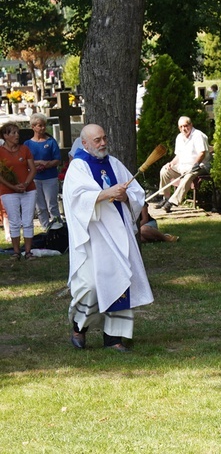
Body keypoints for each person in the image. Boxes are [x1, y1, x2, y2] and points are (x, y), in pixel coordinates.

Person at [64, 124, 154, 352]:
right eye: (97, 140)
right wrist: (106, 194)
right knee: (90, 286)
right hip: (93, 236)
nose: (103, 143)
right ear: (85, 143)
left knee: (121, 280)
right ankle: (79, 326)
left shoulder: (114, 163)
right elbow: (76, 198)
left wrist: (125, 196)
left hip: (119, 233)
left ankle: (114, 338)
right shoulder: (78, 167)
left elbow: (136, 193)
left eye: (104, 138)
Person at [157, 116, 211, 213]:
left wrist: (194, 165)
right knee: (164, 170)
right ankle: (165, 198)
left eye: (185, 126)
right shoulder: (179, 137)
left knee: (188, 175)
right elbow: (178, 155)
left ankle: (172, 202)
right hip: (183, 166)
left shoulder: (198, 135)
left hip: (199, 166)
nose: (183, 129)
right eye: (181, 127)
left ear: (191, 125)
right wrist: (171, 163)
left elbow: (201, 153)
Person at [0, 123, 37, 260]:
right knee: (14, 221)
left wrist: (26, 183)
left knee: (27, 221)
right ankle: (16, 252)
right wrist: (13, 186)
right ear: (5, 136)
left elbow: (32, 169)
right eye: (13, 133)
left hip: (28, 189)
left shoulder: (24, 149)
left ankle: (28, 252)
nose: (17, 135)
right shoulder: (0, 151)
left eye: (17, 133)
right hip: (8, 191)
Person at [24, 113, 62, 230]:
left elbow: (57, 159)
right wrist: (39, 162)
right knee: (40, 207)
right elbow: (25, 161)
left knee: (52, 205)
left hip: (50, 177)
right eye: (40, 125)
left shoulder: (51, 142)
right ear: (33, 127)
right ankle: (45, 227)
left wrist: (47, 164)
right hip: (35, 179)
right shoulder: (28, 144)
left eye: (44, 125)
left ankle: (58, 226)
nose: (42, 128)